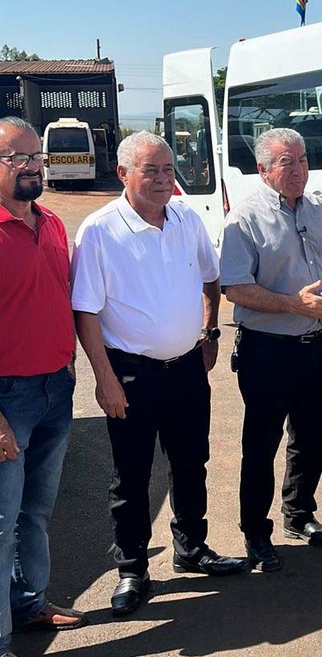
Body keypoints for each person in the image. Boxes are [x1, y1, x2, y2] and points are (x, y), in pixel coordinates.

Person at [71, 131, 245, 618]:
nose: (164, 179)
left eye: (169, 169)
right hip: (131, 374)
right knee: (132, 476)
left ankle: (191, 548)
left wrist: (209, 331)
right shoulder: (99, 231)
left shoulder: (186, 218)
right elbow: (85, 311)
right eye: (151, 170)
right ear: (123, 174)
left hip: (187, 369)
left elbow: (212, 278)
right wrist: (104, 378)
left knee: (191, 463)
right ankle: (132, 569)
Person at [220, 128, 322, 571]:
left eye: (302, 160)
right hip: (268, 351)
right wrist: (294, 304)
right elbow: (235, 288)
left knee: (313, 439)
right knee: (261, 445)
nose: (298, 170)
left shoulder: (318, 208)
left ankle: (299, 514)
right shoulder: (244, 219)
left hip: (320, 346)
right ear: (263, 170)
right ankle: (256, 534)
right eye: (286, 162)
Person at [0, 117, 86, 657]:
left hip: (56, 387)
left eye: (37, 157)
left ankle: (29, 603)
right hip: (6, 396)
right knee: (0, 523)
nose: (32, 166)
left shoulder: (52, 223)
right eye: (17, 158)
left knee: (34, 511)